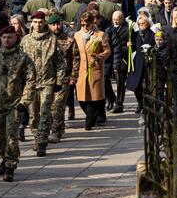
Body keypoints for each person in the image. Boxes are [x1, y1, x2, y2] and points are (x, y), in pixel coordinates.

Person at [0, 26, 36, 182]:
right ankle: (4, 158)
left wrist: (25, 101)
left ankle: (10, 165)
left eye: (10, 37)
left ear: (16, 38)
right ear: (0, 38)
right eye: (4, 37)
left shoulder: (23, 58)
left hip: (15, 104)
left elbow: (31, 81)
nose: (7, 40)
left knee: (11, 136)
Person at [19, 11, 64, 155]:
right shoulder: (25, 40)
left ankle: (42, 142)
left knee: (45, 112)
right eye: (35, 22)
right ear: (31, 23)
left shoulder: (52, 39)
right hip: (30, 84)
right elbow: (19, 62)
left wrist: (59, 80)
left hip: (47, 82)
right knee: (33, 115)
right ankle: (36, 137)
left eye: (40, 22)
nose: (38, 25)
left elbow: (60, 63)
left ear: (44, 23)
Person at [71, 11, 112, 130]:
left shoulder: (100, 35)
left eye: (86, 25)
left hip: (94, 69)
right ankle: (91, 117)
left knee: (93, 98)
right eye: (82, 24)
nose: (84, 27)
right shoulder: (77, 35)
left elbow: (107, 51)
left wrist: (99, 56)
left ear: (91, 23)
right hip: (81, 70)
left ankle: (89, 122)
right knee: (82, 98)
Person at [47, 13, 75, 142]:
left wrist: (73, 76)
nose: (56, 27)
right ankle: (59, 126)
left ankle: (55, 132)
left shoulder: (69, 40)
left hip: (64, 77)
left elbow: (75, 58)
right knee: (49, 106)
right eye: (53, 25)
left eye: (58, 24)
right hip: (47, 78)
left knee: (58, 106)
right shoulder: (46, 40)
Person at [106, 11, 130, 113]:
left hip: (122, 59)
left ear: (122, 19)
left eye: (118, 19)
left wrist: (125, 47)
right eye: (114, 19)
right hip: (110, 58)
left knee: (120, 81)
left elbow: (129, 45)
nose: (116, 21)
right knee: (106, 80)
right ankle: (111, 98)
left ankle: (119, 103)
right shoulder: (109, 29)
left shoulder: (127, 29)